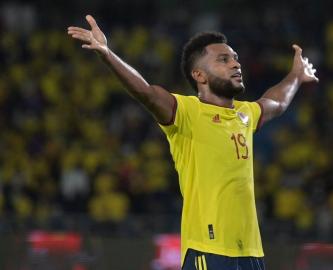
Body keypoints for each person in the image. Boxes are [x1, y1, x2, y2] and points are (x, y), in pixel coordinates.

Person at [68, 15, 318, 270]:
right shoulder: (187, 112)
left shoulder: (245, 114)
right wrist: (107, 54)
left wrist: (296, 75)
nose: (235, 64)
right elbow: (146, 92)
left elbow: (276, 101)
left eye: (235, 58)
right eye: (223, 59)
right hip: (208, 252)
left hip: (252, 253)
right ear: (199, 75)